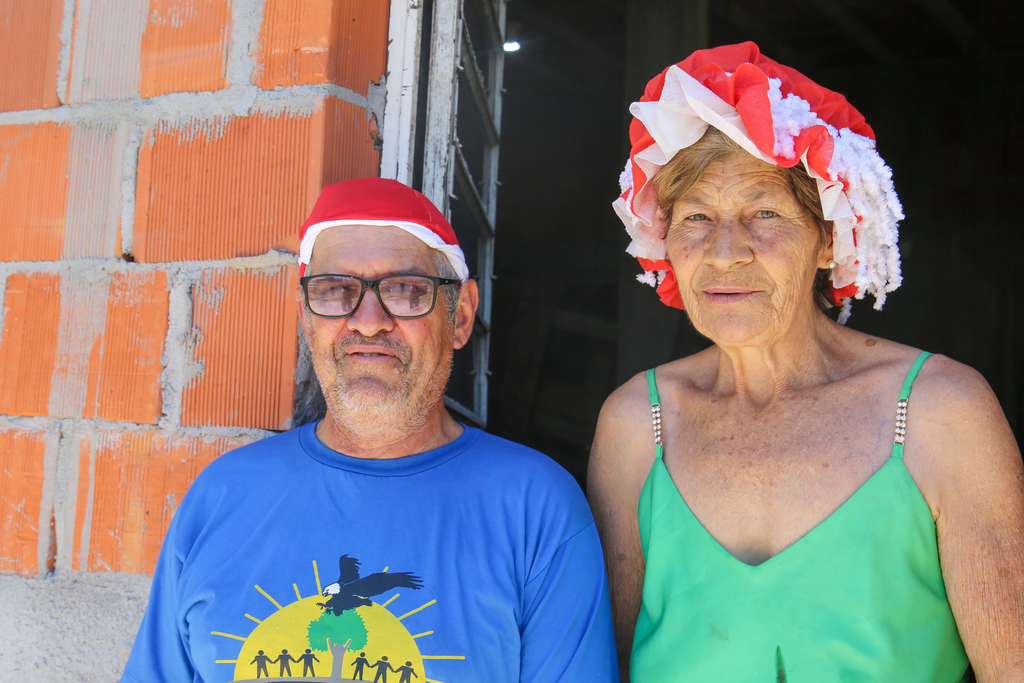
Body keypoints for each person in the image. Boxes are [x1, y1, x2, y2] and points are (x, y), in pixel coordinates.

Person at [589, 42, 1024, 682]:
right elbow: (605, 667)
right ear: (666, 241)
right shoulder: (636, 421)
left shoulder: (939, 410)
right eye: (698, 217)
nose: (726, 251)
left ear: (827, 238)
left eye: (765, 213)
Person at [121, 178, 618, 683]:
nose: (368, 320)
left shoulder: (535, 507)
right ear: (305, 316)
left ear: (461, 316)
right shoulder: (220, 497)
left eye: (406, 291)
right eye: (336, 291)